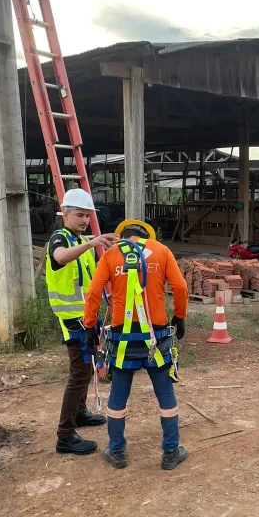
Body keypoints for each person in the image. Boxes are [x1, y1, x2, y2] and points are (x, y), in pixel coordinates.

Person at [83, 219, 189, 470]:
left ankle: (117, 451)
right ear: (147, 235)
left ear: (122, 236)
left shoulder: (111, 254)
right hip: (157, 335)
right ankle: (170, 451)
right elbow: (181, 287)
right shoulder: (161, 251)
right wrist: (180, 316)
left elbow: (94, 292)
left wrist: (90, 326)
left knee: (119, 395)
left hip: (122, 337)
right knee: (165, 394)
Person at [46, 188, 118, 455]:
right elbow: (60, 257)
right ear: (64, 214)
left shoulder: (81, 241)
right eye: (79, 215)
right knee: (79, 373)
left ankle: (79, 414)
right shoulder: (61, 238)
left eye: (87, 216)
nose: (85, 220)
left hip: (85, 317)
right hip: (71, 318)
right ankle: (65, 435)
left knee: (85, 370)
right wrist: (90, 243)